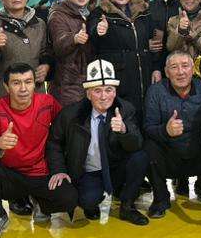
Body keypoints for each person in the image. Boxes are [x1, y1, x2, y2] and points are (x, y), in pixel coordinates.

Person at [0, 63, 78, 238]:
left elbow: (65, 131)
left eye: (28, 82)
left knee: (69, 198)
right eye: (16, 83)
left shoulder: (47, 103)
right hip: (11, 176)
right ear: (6, 87)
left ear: (34, 84)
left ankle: (42, 203)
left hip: (41, 173)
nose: (23, 88)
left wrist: (60, 168)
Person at [46, 59, 151, 225]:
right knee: (87, 201)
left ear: (115, 92)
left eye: (109, 90)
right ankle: (92, 201)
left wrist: (124, 130)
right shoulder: (70, 115)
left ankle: (127, 206)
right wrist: (58, 170)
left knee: (141, 157)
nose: (104, 96)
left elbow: (136, 144)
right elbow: (54, 143)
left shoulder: (126, 109)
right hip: (89, 172)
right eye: (97, 91)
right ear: (88, 94)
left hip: (115, 168)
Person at [143, 51, 201, 217]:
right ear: (166, 72)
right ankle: (160, 198)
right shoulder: (155, 91)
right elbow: (148, 128)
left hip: (200, 156)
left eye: (185, 66)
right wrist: (165, 130)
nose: (180, 72)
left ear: (193, 68)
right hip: (169, 158)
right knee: (147, 148)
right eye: (174, 67)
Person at [87, 0, 153, 116]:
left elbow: (151, 39)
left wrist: (155, 68)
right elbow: (92, 32)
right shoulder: (99, 13)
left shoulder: (143, 12)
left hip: (144, 76)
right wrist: (98, 30)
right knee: (122, 117)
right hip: (118, 79)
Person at [47, 0, 95, 106]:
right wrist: (74, 38)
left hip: (89, 80)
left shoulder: (90, 14)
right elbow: (58, 43)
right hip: (67, 83)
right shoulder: (58, 14)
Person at [148, 0, 184, 82]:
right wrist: (155, 67)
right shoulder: (149, 7)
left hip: (182, 69)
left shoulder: (186, 7)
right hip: (156, 69)